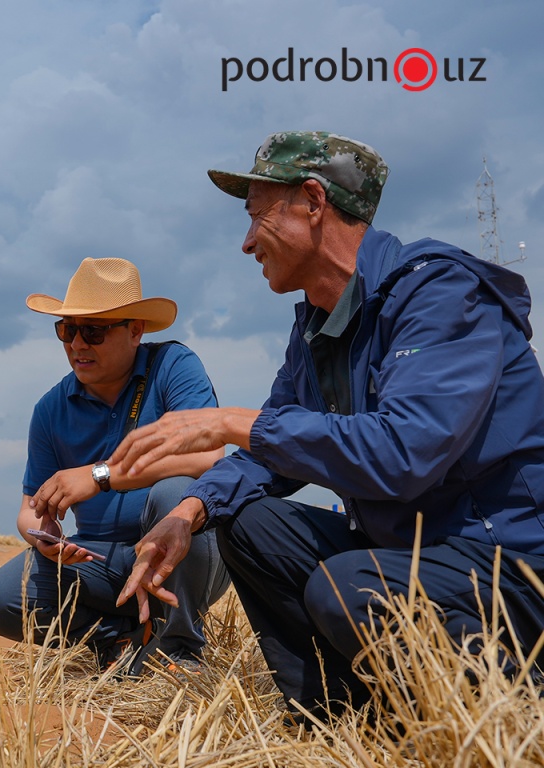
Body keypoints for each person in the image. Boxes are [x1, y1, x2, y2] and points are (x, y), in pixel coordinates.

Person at [111, 131, 544, 717]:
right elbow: (271, 451)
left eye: (257, 215)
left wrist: (230, 421)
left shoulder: (440, 294)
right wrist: (188, 514)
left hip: (503, 570)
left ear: (313, 203)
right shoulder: (317, 327)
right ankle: (335, 711)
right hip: (404, 558)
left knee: (346, 587)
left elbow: (403, 453)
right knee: (248, 523)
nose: (245, 243)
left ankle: (498, 707)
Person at [0, 257, 229, 673]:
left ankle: (179, 650)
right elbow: (29, 509)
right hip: (99, 562)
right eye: (67, 329)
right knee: (1, 598)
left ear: (136, 331)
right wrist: (44, 536)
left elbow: (207, 458)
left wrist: (101, 476)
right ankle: (116, 638)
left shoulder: (174, 366)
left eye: (94, 330)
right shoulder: (50, 409)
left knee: (178, 492)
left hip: (186, 552)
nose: (77, 344)